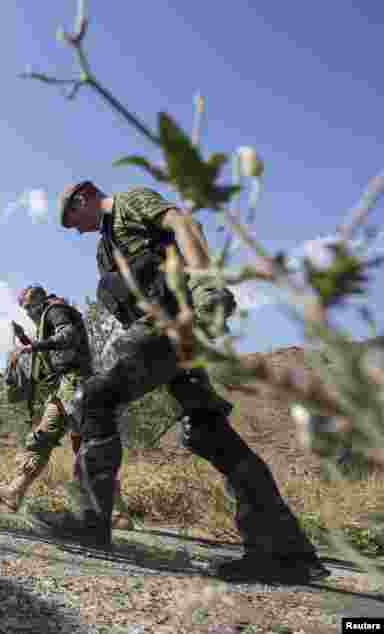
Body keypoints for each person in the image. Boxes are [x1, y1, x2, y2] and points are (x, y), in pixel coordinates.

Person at [49, 180, 328, 582]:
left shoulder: (129, 204)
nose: (72, 229)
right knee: (208, 430)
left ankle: (88, 521)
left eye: (69, 218)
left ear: (83, 197)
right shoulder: (104, 249)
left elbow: (183, 224)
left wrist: (206, 286)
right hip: (166, 339)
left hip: (176, 322)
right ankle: (284, 552)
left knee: (94, 398)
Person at [0, 285, 91, 510]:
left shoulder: (54, 311)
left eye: (28, 308)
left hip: (72, 384)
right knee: (80, 444)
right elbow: (51, 348)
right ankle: (113, 511)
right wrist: (24, 339)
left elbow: (67, 335)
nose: (28, 313)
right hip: (72, 385)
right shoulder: (52, 313)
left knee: (51, 439)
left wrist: (31, 348)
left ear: (38, 303)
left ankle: (14, 491)